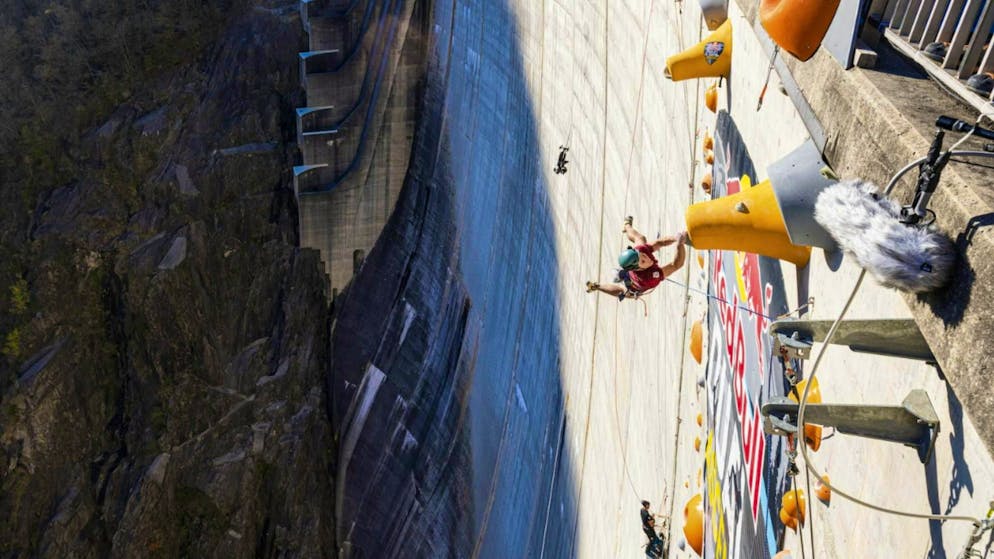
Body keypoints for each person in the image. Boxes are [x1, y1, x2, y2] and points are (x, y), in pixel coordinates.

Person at [586, 216, 687, 300]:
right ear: (638, 268)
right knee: (624, 292)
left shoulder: (640, 251)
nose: (647, 259)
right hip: (635, 286)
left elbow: (660, 242)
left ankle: (627, 226)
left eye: (643, 255)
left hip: (631, 271)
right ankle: (597, 287)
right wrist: (680, 245)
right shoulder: (650, 277)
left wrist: (676, 238)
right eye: (643, 261)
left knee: (640, 239)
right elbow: (676, 265)